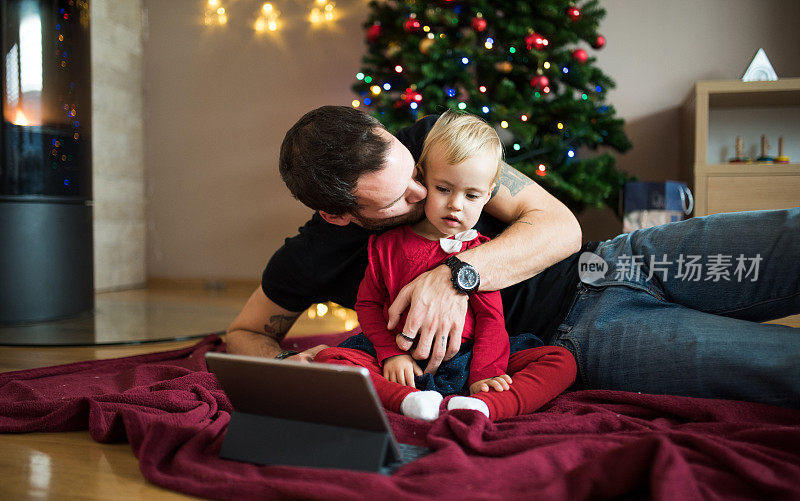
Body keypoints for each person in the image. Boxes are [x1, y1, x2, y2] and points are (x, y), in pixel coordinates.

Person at [227, 105, 800, 409]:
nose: (425, 193)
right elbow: (247, 332)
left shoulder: (437, 142)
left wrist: (457, 278)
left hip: (623, 257)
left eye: (411, 170)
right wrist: (285, 370)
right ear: (339, 215)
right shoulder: (309, 259)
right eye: (399, 198)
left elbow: (560, 226)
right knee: (782, 364)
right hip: (583, 334)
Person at [312, 111, 576, 421]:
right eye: (443, 189)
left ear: (488, 195)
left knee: (560, 361)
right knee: (330, 359)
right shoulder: (385, 247)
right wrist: (391, 355)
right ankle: (406, 401)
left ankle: (487, 407)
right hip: (399, 361)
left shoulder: (478, 252)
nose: (456, 205)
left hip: (467, 358)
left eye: (472, 195)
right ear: (423, 179)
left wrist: (484, 375)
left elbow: (492, 320)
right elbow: (368, 305)